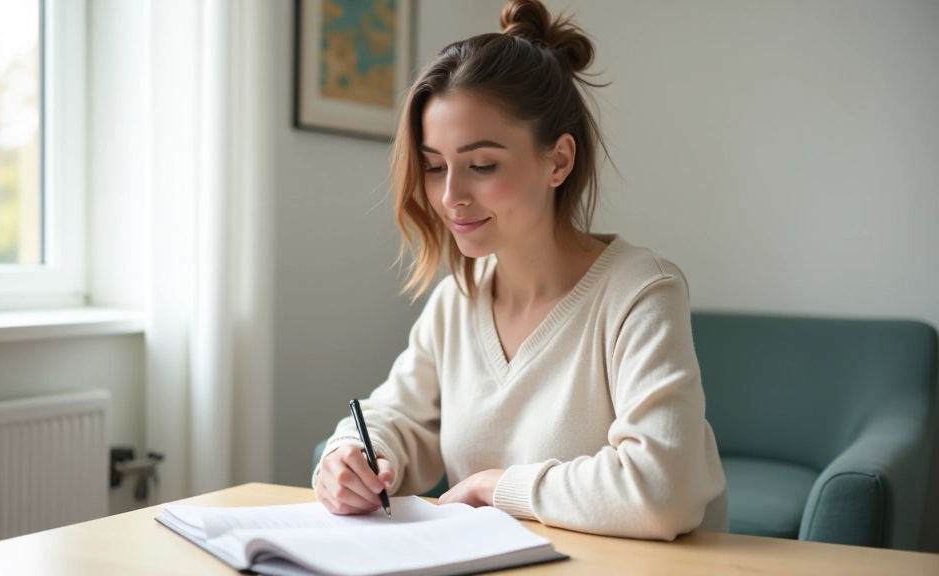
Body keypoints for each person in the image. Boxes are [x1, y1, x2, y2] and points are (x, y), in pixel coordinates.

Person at [312, 0, 728, 540]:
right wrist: (352, 455)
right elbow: (397, 417)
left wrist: (494, 488)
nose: (450, 196)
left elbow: (660, 491)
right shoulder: (457, 301)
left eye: (482, 165)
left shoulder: (642, 291)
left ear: (558, 160)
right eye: (435, 166)